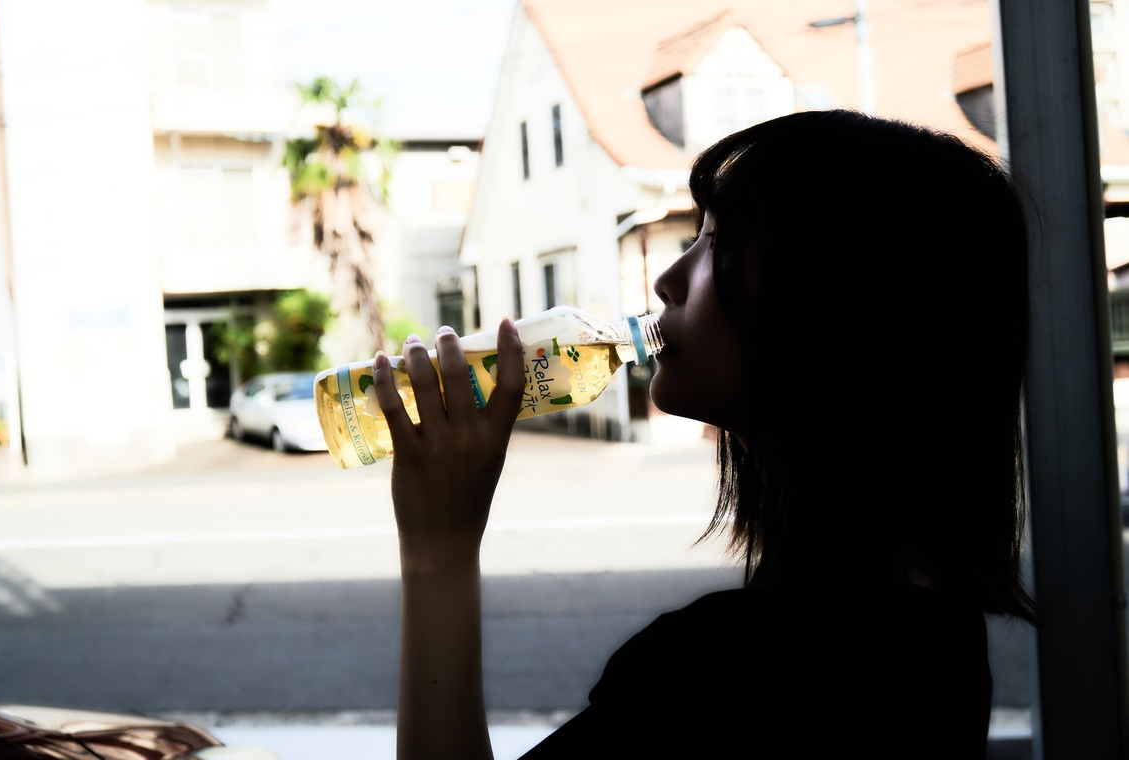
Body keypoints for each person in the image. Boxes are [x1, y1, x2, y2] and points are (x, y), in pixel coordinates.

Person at [371, 109, 1036, 759]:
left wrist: (438, 550)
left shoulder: (759, 675)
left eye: (717, 244)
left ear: (836, 302)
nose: (668, 281)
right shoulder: (936, 632)